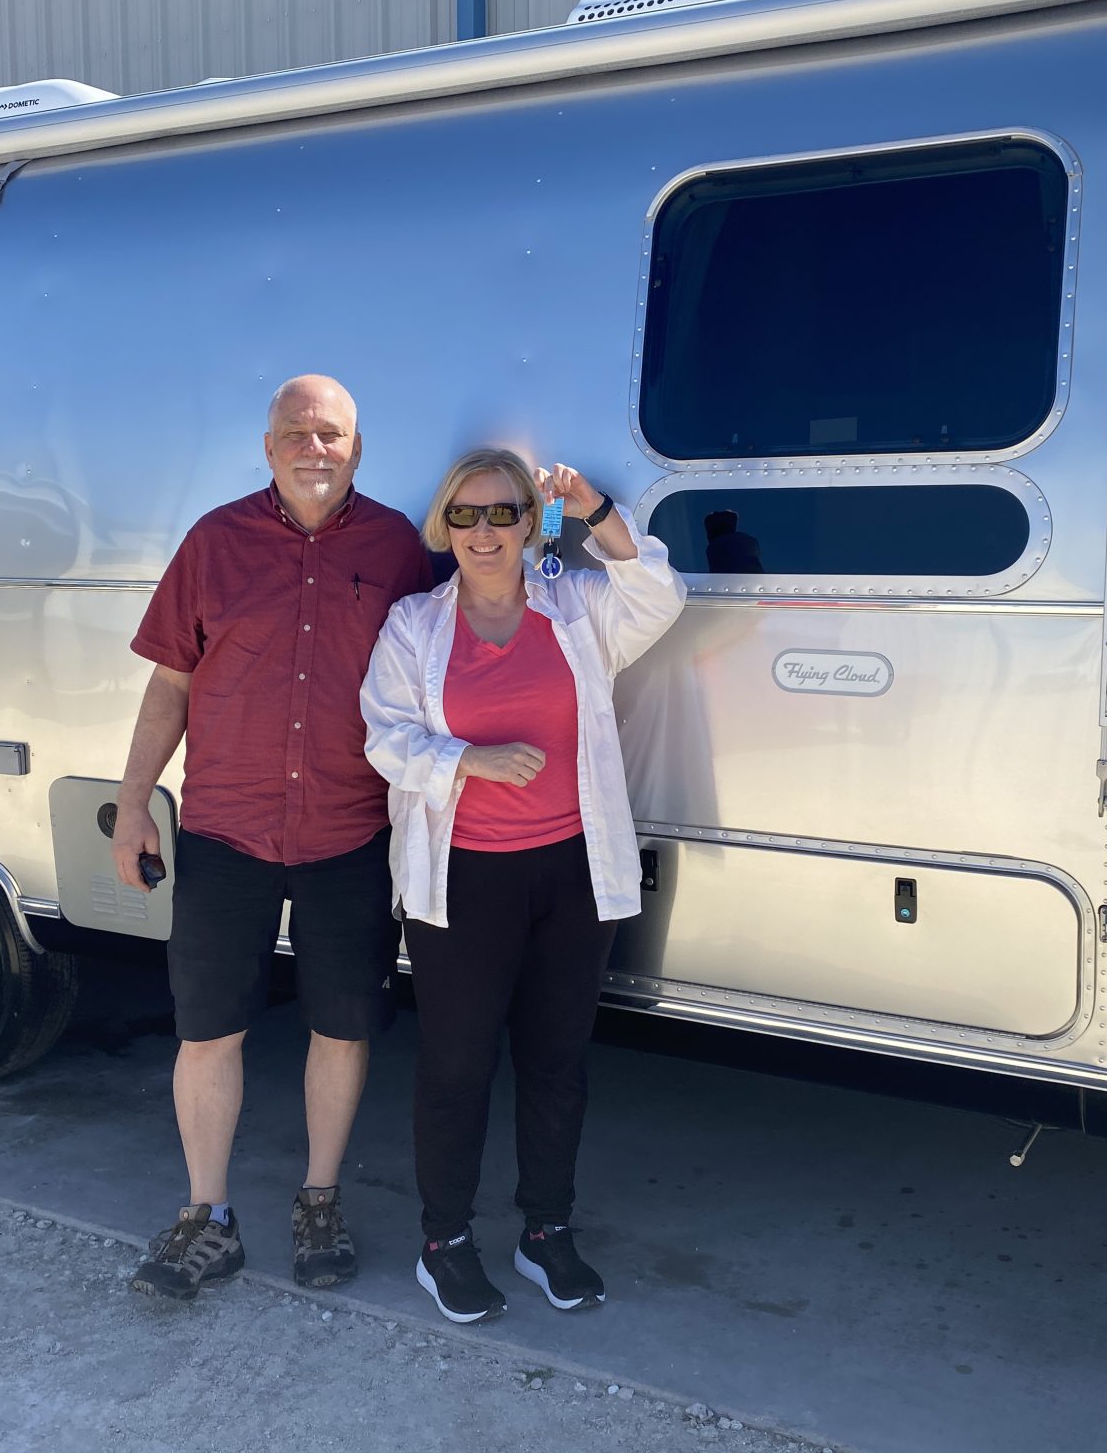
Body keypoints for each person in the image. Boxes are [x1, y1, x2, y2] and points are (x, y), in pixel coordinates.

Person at [113, 374, 434, 1300]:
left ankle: (319, 1199)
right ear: (267, 447)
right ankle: (207, 1217)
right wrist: (133, 805)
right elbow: (170, 684)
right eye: (295, 431)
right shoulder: (214, 542)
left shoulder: (398, 551)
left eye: (331, 433)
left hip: (349, 830)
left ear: (358, 449)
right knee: (209, 1028)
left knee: (342, 1024)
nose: (313, 447)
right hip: (227, 829)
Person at [361, 448, 685, 1323]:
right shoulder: (414, 626)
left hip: (572, 874)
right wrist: (470, 760)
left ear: (528, 524)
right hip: (463, 879)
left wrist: (594, 509)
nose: (483, 532)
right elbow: (385, 737)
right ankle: (444, 1242)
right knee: (457, 1066)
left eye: (503, 513)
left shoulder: (574, 608)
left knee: (555, 1063)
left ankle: (546, 1231)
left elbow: (659, 595)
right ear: (445, 527)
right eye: (464, 515)